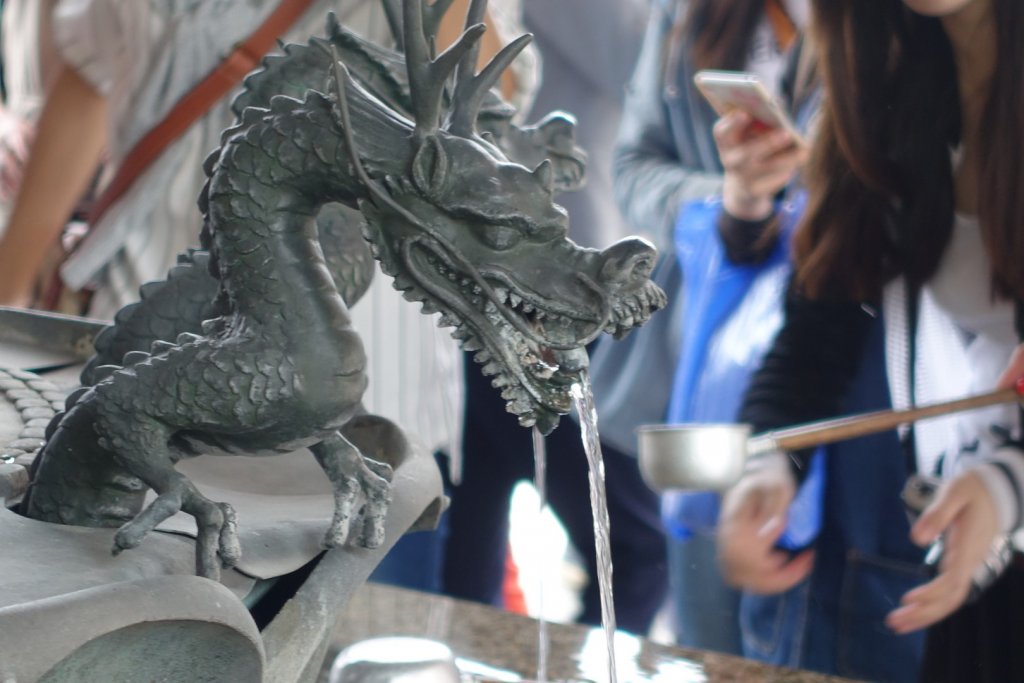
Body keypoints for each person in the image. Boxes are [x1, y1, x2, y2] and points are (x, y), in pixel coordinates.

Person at [718, 0, 1024, 681]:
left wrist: (1009, 484)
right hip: (953, 555)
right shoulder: (883, 68)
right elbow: (822, 314)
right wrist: (767, 459)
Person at [441, 0, 669, 636]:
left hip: (513, 272)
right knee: (636, 547)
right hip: (538, 281)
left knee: (469, 523)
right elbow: (648, 65)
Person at [608, 0, 814, 656]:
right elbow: (633, 169)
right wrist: (731, 201)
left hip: (839, 374)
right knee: (708, 643)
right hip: (704, 373)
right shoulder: (688, 13)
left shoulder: (891, 22)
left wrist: (812, 200)